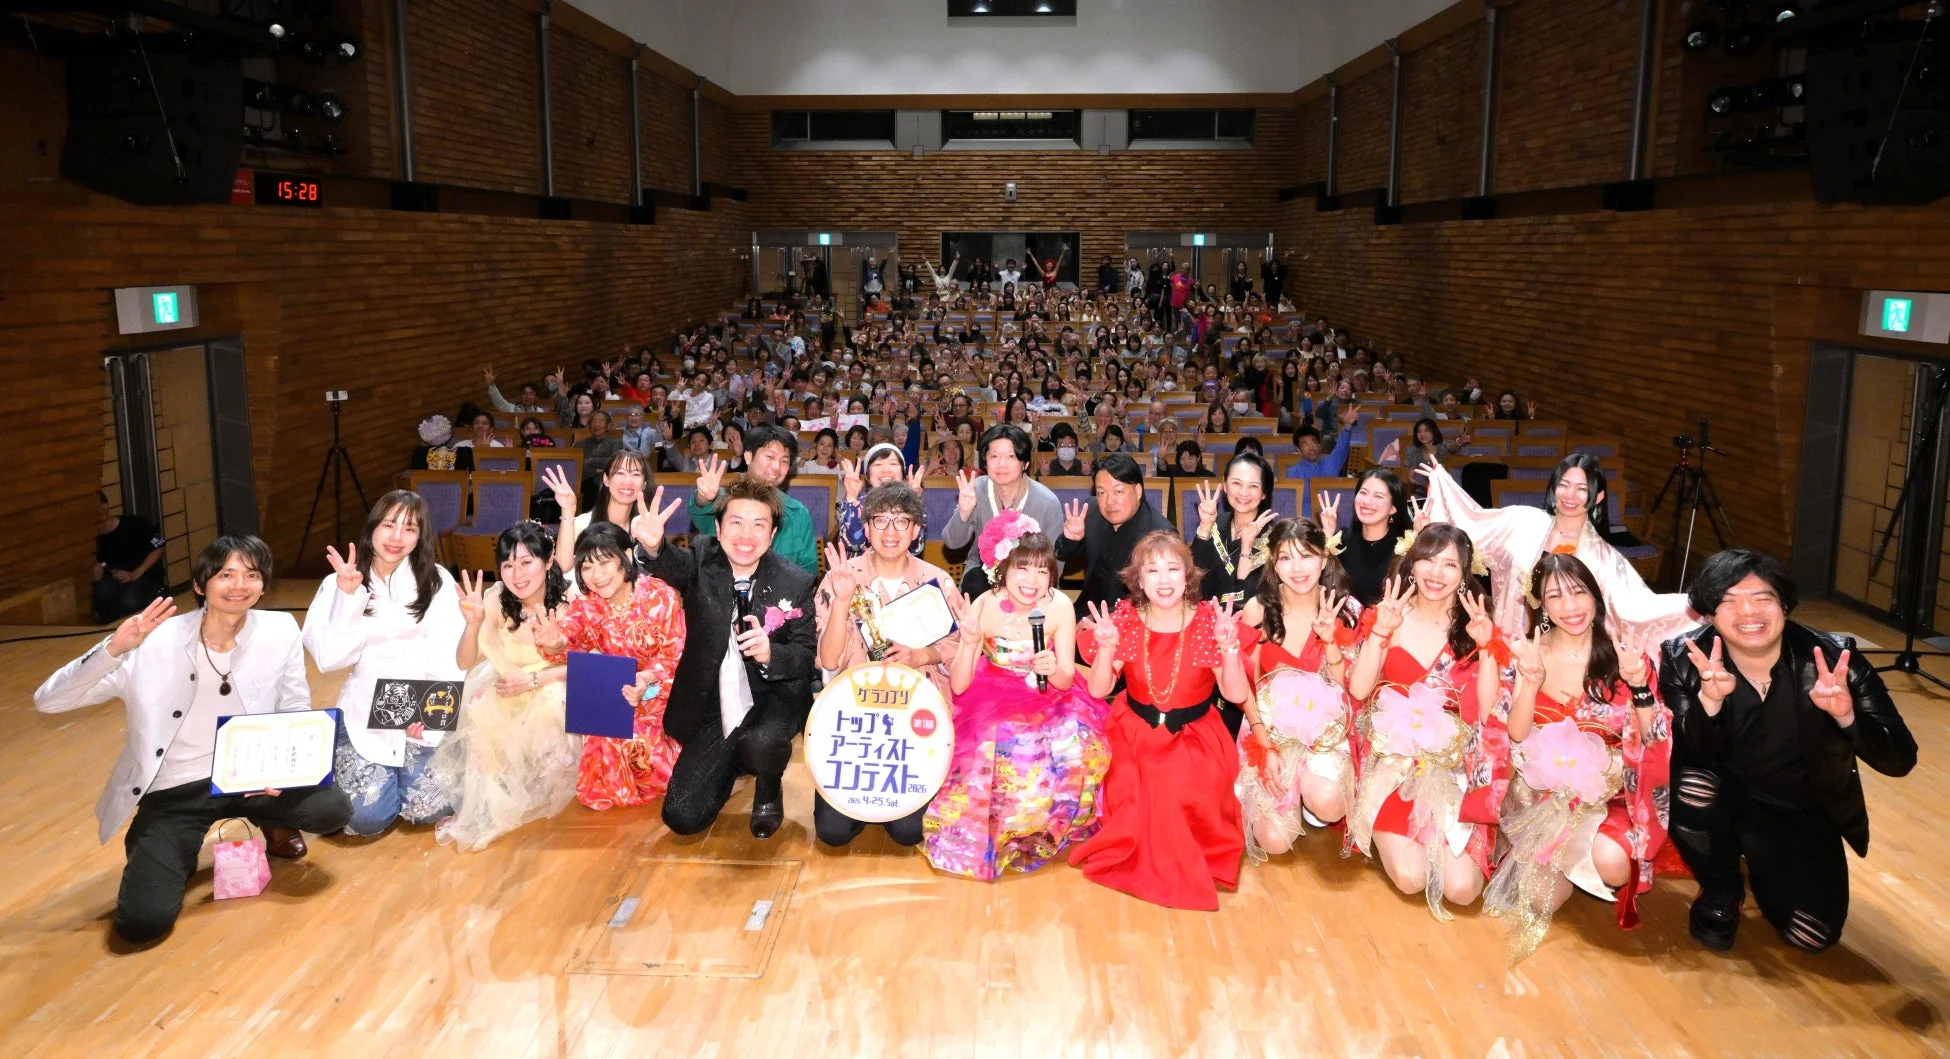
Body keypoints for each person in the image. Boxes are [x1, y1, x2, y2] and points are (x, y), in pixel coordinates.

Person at [33, 537, 353, 946]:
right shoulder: (152, 642)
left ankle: (274, 821)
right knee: (141, 925)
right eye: (226, 575)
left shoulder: (278, 628)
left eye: (251, 575)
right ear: (201, 585)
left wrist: (282, 772)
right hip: (176, 791)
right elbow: (48, 701)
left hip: (250, 777)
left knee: (331, 808)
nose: (239, 585)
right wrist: (113, 648)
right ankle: (165, 847)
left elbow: (293, 703)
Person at [1660, 549, 1915, 953]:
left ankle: (1765, 863)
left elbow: (1900, 758)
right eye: (1729, 600)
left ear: (1785, 604)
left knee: (1812, 937)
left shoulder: (1834, 659)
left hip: (1800, 808)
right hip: (1721, 795)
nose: (1748, 612)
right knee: (1690, 786)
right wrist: (1708, 702)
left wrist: (1848, 717)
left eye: (1762, 597)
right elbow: (1680, 756)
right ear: (1708, 612)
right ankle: (1722, 885)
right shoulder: (1683, 659)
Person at [1484, 553, 1671, 962]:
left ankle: (1584, 858)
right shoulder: (1527, 653)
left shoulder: (1624, 659)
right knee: (1537, 899)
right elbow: (1515, 732)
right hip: (1541, 798)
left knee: (1614, 868)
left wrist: (1640, 688)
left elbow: (1655, 736)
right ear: (1541, 605)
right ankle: (1558, 859)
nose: (1570, 607)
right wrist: (1530, 683)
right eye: (1555, 596)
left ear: (1595, 596)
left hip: (1607, 798)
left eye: (1578, 592)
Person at [1069, 531, 1255, 910]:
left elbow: (1235, 695)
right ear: (1138, 580)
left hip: (1195, 737)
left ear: (1188, 577)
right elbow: (1099, 688)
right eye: (1152, 571)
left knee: (1175, 792)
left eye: (1173, 569)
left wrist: (1229, 647)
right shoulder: (1127, 617)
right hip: (1132, 733)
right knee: (1150, 797)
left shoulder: (1207, 620)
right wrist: (1105, 650)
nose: (1164, 579)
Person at [924, 516, 1108, 878]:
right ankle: (1003, 828)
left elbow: (1066, 677)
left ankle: (1047, 825)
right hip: (991, 689)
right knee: (1000, 742)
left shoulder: (1059, 608)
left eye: (1042, 571)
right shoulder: (983, 605)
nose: (1032, 581)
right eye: (1022, 568)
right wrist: (972, 641)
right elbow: (959, 686)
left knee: (1077, 744)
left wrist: (1050, 664)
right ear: (1002, 568)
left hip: (1051, 691)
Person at [637, 481, 817, 839]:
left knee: (762, 743)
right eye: (736, 522)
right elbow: (672, 565)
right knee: (683, 818)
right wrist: (654, 546)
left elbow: (804, 655)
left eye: (758, 524)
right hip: (715, 704)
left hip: (772, 699)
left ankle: (768, 783)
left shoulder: (795, 581)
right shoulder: (702, 557)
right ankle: (732, 760)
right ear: (718, 529)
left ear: (773, 533)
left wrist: (771, 654)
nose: (746, 535)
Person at [1345, 523, 1509, 918]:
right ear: (1411, 564)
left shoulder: (1477, 629)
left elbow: (1487, 715)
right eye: (1428, 561)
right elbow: (1359, 688)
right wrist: (1380, 633)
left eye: (1450, 565)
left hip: (1451, 767)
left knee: (1463, 890)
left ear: (1465, 573)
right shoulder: (1388, 616)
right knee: (1411, 878)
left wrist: (1487, 648)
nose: (1436, 574)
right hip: (1393, 765)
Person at [303, 491, 466, 836]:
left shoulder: (436, 580)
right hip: (364, 711)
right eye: (389, 525)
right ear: (372, 527)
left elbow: (448, 658)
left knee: (429, 808)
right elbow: (329, 660)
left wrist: (429, 715)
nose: (396, 537)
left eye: (409, 528)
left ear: (420, 536)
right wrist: (348, 597)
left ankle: (401, 774)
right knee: (366, 819)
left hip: (419, 711)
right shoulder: (339, 581)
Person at [813, 485, 965, 847]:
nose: (891, 531)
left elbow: (960, 646)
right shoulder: (842, 576)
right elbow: (829, 660)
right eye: (880, 520)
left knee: (909, 833)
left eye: (902, 521)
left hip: (916, 716)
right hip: (856, 717)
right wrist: (841, 601)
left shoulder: (937, 582)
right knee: (833, 834)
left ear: (916, 530)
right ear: (866, 528)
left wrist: (920, 655)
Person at [1421, 453, 1695, 642]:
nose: (1570, 496)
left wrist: (1700, 605)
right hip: (1508, 638)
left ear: (1597, 496)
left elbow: (1637, 610)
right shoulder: (1522, 519)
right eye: (1564, 485)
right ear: (1553, 488)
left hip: (1561, 652)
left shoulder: (1603, 557)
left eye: (1581, 489)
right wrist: (1443, 485)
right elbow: (1474, 525)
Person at [431, 522, 582, 850]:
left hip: (557, 683)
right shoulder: (497, 599)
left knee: (552, 704)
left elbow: (587, 666)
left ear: (549, 560)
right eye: (508, 565)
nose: (517, 574)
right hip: (509, 683)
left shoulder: (570, 597)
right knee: (484, 708)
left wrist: (533, 680)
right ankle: (497, 801)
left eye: (527, 562)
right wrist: (472, 625)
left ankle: (544, 788)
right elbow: (464, 661)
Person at [534, 522, 686, 809]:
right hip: (617, 697)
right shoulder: (588, 605)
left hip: (662, 692)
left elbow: (673, 656)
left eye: (604, 563)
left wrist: (646, 680)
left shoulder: (659, 595)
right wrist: (554, 642)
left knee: (643, 749)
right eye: (587, 567)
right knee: (605, 736)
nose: (596, 575)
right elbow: (567, 640)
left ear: (627, 557)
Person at [1236, 518, 1358, 859]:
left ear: (1325, 559)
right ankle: (1291, 788)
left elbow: (1349, 688)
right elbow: (1247, 687)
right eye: (1286, 558)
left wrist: (1331, 641)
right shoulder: (1258, 610)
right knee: (1275, 843)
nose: (1297, 568)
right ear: (1274, 564)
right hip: (1270, 730)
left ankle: (1309, 791)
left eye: (1307, 556)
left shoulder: (1345, 610)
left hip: (1327, 732)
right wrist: (1265, 746)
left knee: (1330, 805)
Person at [942, 424, 1066, 596]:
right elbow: (952, 543)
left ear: (1025, 463)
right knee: (975, 583)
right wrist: (964, 512)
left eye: (1011, 456)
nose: (1001, 464)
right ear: (985, 461)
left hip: (1030, 582)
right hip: (981, 577)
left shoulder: (1046, 502)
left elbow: (1054, 564)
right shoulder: (976, 490)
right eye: (994, 456)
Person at [687, 425, 819, 576]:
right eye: (770, 457)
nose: (776, 467)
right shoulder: (725, 500)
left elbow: (808, 571)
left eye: (784, 461)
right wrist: (704, 498)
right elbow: (700, 511)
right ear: (748, 456)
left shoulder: (798, 512)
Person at [1057, 453, 1175, 615]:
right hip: (1087, 609)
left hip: (1134, 618)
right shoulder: (1090, 510)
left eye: (1118, 492)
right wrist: (1071, 540)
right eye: (1101, 493)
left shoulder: (1160, 535)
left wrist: (1101, 620)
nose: (1109, 501)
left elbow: (1158, 599)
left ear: (1138, 491)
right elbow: (1062, 554)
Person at [1189, 454, 1279, 610]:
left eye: (1253, 486)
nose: (1243, 492)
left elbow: (1248, 596)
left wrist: (1246, 547)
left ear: (1264, 493)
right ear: (1225, 484)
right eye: (1236, 483)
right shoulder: (1215, 524)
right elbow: (1194, 576)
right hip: (1204, 615)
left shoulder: (1273, 539)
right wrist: (1204, 527)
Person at [1318, 468, 1412, 607]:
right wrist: (1327, 533)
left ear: (1393, 508)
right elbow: (1319, 582)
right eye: (1363, 493)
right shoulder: (1341, 541)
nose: (1367, 501)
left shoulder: (1404, 547)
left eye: (1378, 496)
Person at [835, 444, 925, 559]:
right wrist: (851, 498)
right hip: (859, 572)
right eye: (878, 464)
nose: (886, 470)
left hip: (898, 571)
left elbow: (916, 548)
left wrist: (914, 501)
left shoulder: (909, 505)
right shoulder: (857, 504)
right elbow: (853, 544)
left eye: (893, 464)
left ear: (903, 474)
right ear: (867, 475)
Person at [94, 491, 166, 623]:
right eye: (94, 507)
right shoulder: (94, 539)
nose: (100, 510)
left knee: (129, 601)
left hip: (143, 575)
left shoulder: (134, 524)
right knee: (103, 593)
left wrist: (134, 574)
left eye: (102, 504)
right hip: (115, 580)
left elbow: (159, 545)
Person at [1284, 416, 1358, 480]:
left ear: (1319, 445)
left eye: (1314, 442)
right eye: (1305, 444)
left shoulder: (1331, 462)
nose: (1311, 447)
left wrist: (1347, 426)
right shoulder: (1293, 473)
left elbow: (1341, 448)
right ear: (1298, 450)